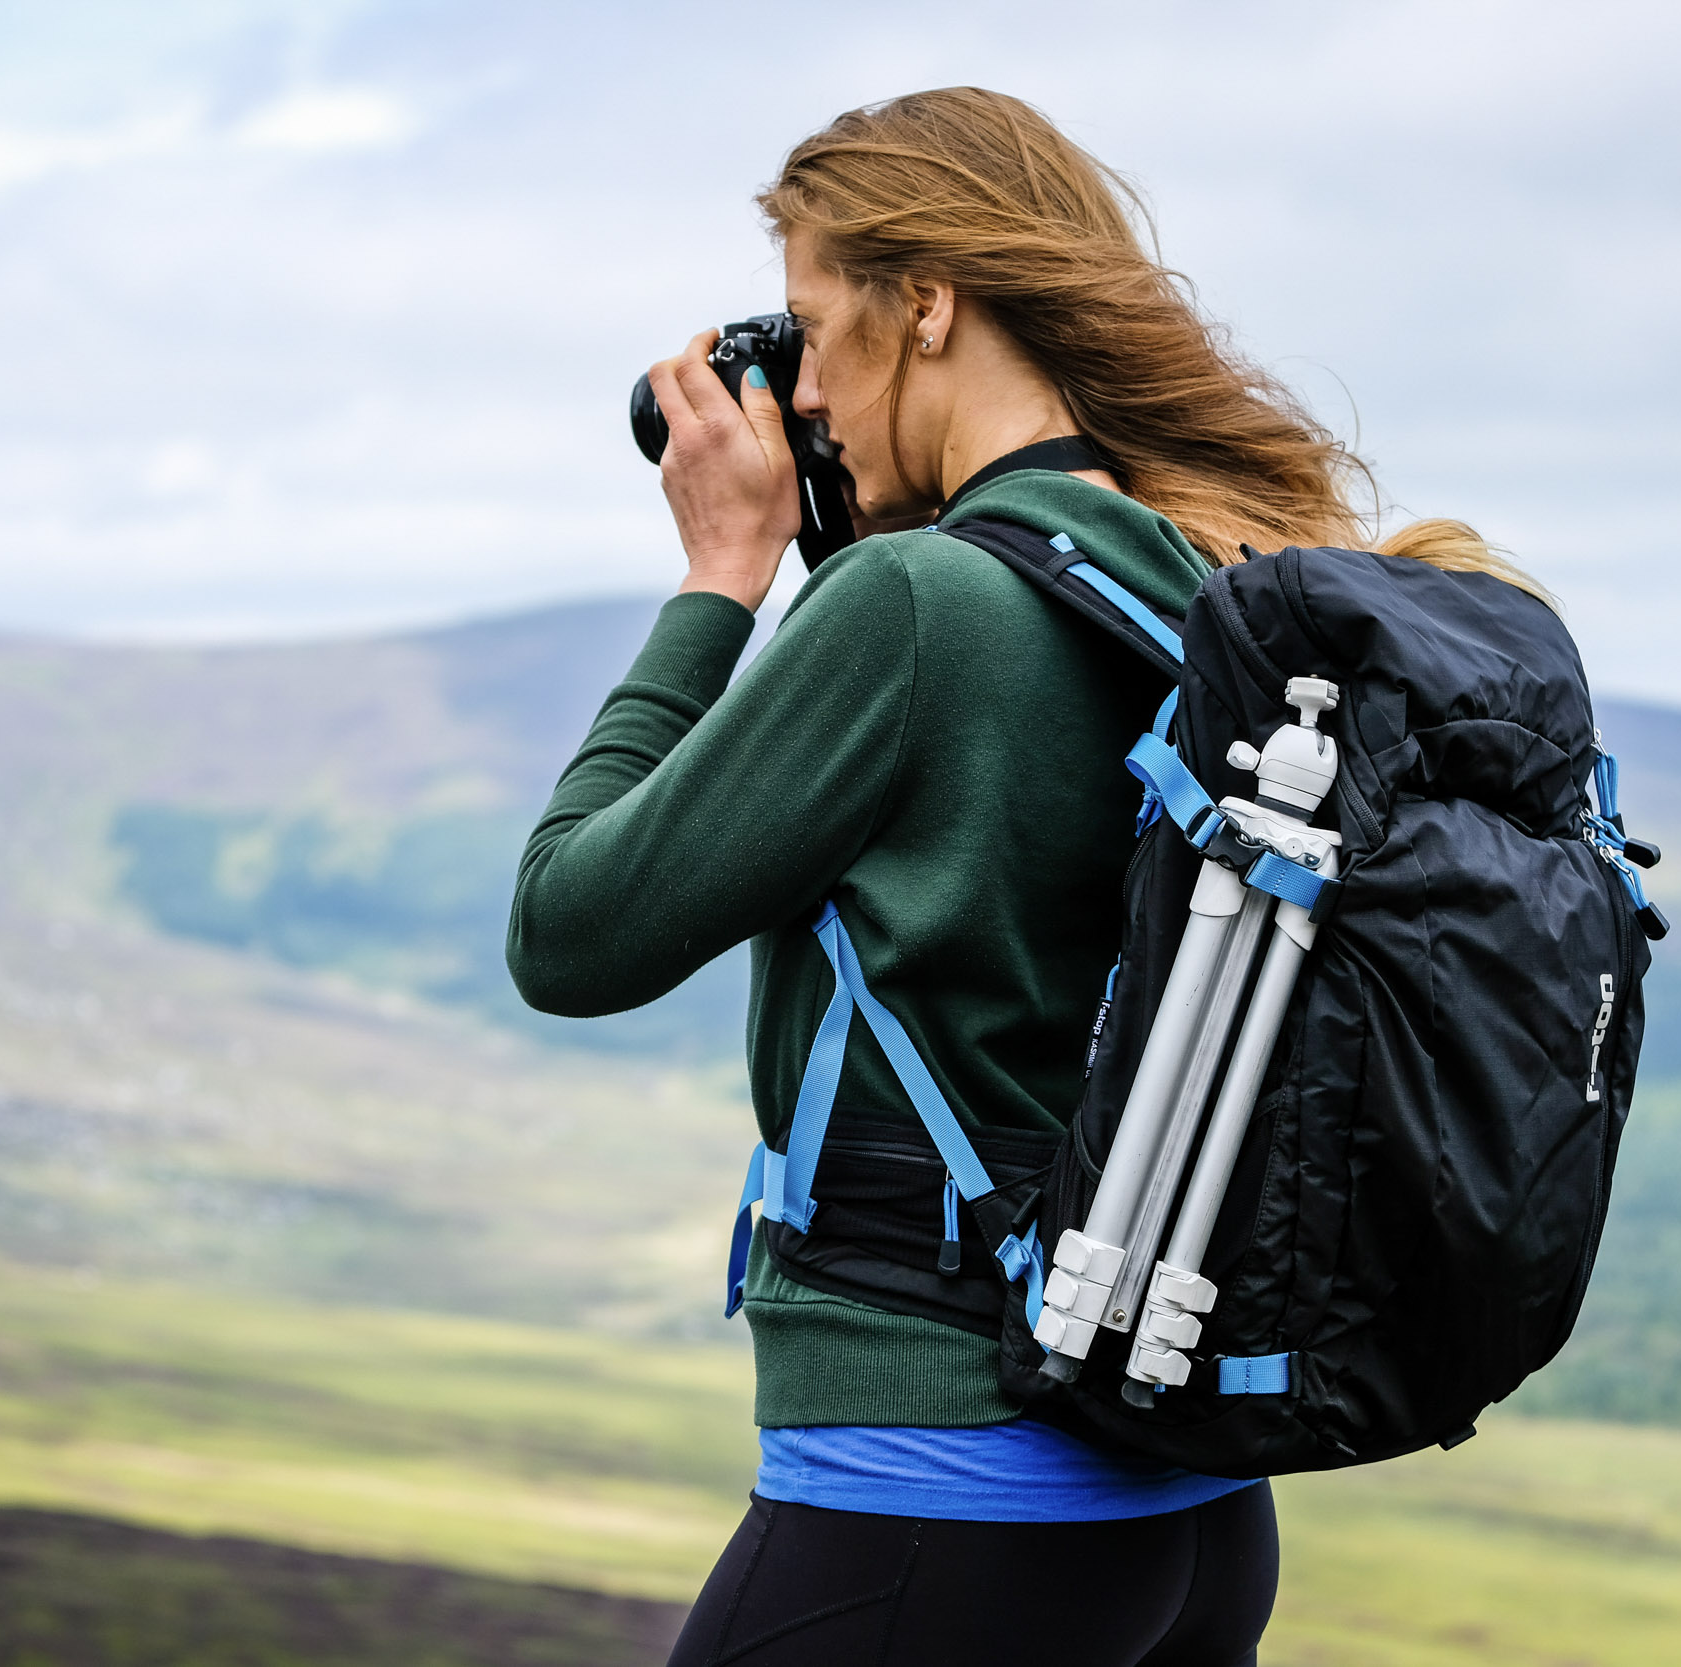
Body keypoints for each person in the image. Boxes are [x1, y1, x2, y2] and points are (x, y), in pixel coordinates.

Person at [508, 87, 1531, 1667]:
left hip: (940, 1488)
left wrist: (721, 578)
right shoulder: (1209, 578)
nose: (803, 389)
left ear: (926, 306)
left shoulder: (917, 611)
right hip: (1184, 1518)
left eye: (811, 328)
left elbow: (569, 933)